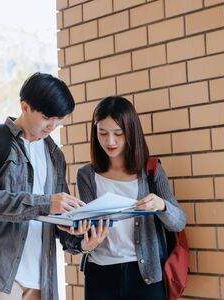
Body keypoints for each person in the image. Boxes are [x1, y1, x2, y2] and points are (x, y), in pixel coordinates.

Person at [0, 72, 85, 300]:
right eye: (48, 117)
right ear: (25, 106)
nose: (53, 125)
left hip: (43, 277)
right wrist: (45, 203)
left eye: (59, 118)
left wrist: (80, 238)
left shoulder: (54, 154)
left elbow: (59, 214)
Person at [59, 96, 186, 300]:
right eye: (102, 133)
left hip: (145, 275)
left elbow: (178, 222)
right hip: (99, 273)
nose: (110, 141)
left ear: (131, 132)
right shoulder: (86, 175)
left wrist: (161, 205)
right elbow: (88, 225)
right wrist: (82, 235)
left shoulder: (151, 171)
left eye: (118, 133)